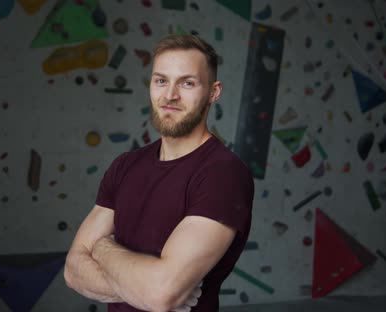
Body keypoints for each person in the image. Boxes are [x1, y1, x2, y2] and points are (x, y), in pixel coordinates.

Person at [64, 34, 254, 312]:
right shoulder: (125, 165)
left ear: (214, 92)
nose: (170, 95)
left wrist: (102, 249)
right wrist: (144, 289)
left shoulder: (223, 174)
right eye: (161, 80)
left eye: (187, 83)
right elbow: (73, 269)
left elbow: (161, 293)